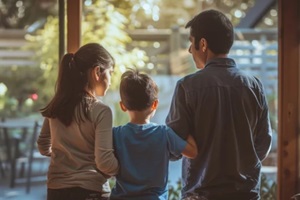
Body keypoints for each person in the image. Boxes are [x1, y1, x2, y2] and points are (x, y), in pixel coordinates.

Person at [166, 9, 272, 200]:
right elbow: (263, 143)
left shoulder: (187, 87)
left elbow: (173, 146)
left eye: (191, 42)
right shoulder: (254, 86)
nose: (190, 50)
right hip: (245, 194)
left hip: (200, 195)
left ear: (203, 44)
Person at [37, 43, 119, 200]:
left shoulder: (57, 105)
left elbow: (43, 146)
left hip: (56, 190)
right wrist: (125, 168)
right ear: (97, 72)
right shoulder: (101, 111)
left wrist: (66, 158)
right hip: (90, 191)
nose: (110, 81)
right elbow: (104, 163)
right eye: (110, 73)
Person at [110, 69, 198, 200]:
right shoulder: (164, 133)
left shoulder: (115, 135)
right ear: (155, 104)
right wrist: (186, 127)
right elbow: (192, 152)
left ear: (123, 106)